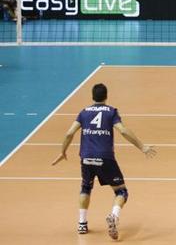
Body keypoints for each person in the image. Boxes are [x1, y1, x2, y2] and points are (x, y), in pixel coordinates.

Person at [51, 84, 156, 239]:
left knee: (85, 188)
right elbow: (123, 130)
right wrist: (142, 147)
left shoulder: (84, 113)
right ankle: (114, 216)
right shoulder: (111, 112)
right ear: (106, 96)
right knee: (121, 191)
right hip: (105, 158)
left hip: (86, 158)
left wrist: (63, 152)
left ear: (92, 96)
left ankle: (82, 224)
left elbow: (69, 133)